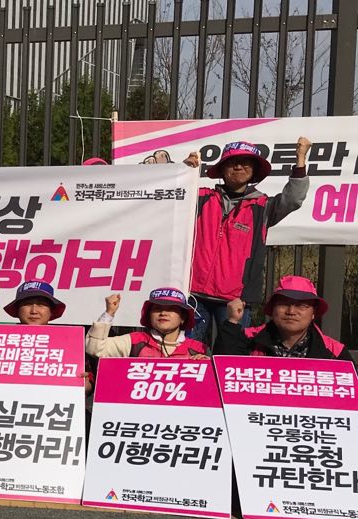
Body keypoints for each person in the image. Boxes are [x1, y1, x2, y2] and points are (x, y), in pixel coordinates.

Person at [185, 137, 311, 348]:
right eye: (232, 162)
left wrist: (300, 159)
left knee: (232, 355)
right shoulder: (201, 197)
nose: (238, 167)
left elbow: (293, 199)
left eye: (246, 163)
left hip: (236, 300)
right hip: (193, 296)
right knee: (185, 354)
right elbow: (168, 196)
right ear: (222, 168)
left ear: (254, 170)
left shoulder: (263, 206)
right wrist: (185, 171)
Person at [218, 275, 350, 361]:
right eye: (284, 304)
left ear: (313, 313)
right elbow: (223, 369)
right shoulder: (249, 339)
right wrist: (232, 321)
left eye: (301, 306)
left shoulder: (334, 352)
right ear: (272, 309)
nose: (291, 311)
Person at [85, 288, 207, 359]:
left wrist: (209, 366)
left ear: (183, 318)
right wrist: (109, 313)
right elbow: (94, 348)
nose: (163, 313)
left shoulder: (199, 349)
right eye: (157, 308)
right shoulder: (133, 341)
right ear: (149, 315)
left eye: (171, 309)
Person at [0, 279, 65, 325]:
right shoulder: (3, 337)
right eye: (27, 304)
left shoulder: (66, 339)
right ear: (17, 310)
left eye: (41, 305)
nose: (34, 311)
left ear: (51, 311)